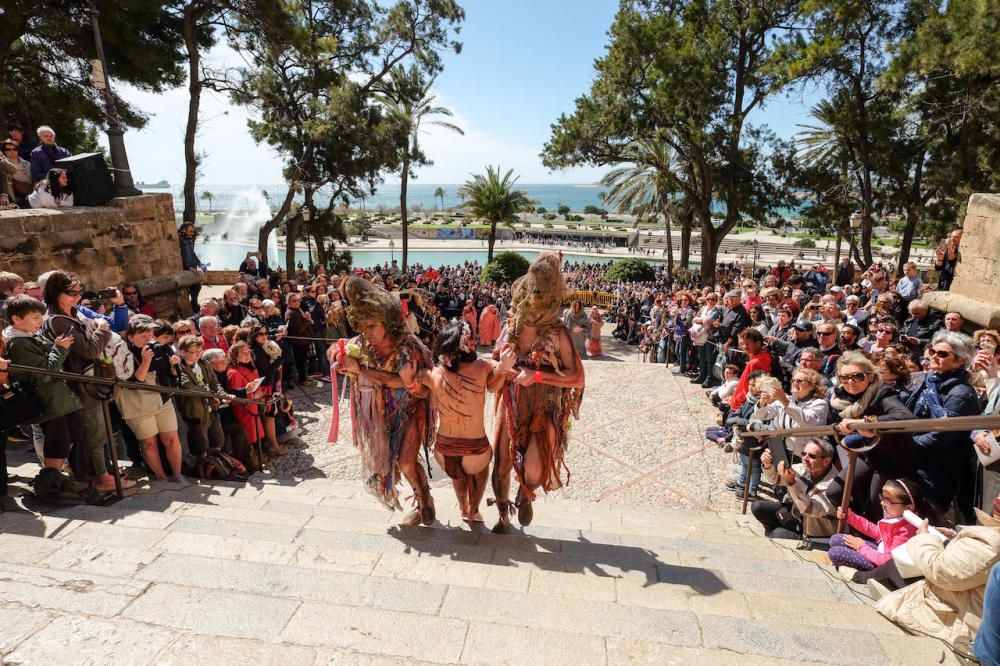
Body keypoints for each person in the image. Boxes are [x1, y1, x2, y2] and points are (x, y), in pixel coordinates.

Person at [488, 253, 585, 533]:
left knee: (533, 468)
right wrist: (501, 365)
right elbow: (494, 364)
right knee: (501, 460)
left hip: (545, 404)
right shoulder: (511, 328)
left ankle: (525, 491)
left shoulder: (558, 333)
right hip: (511, 400)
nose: (532, 309)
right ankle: (503, 513)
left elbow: (577, 376)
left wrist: (538, 375)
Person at [330, 277, 437, 526]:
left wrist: (361, 370)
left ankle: (425, 500)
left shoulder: (410, 347)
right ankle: (419, 503)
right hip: (377, 417)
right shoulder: (361, 345)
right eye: (363, 327)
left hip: (411, 409)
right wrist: (338, 355)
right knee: (382, 463)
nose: (368, 332)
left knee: (408, 462)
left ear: (386, 322)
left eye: (372, 325)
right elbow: (338, 351)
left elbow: (408, 385)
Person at [400, 320, 516, 522]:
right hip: (476, 451)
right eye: (472, 339)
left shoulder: (434, 374)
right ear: (466, 344)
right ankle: (473, 510)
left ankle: (463, 508)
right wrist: (505, 368)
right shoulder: (483, 367)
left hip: (444, 451)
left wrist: (408, 379)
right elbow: (495, 385)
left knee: (457, 476)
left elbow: (417, 389)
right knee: (481, 470)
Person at [875, 492, 1000, 653]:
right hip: (959, 599)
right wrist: (953, 540)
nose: (997, 497)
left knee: (894, 568)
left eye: (889, 500)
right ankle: (865, 576)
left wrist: (924, 538)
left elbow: (941, 572)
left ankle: (858, 576)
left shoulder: (993, 542)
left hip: (956, 617)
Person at [3, 295, 92, 498]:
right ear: (16, 319)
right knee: (57, 442)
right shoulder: (19, 343)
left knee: (70, 436)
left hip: (59, 399)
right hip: (48, 401)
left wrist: (58, 348)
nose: (40, 322)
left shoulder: (30, 336)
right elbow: (45, 372)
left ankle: (57, 479)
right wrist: (60, 349)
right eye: (35, 317)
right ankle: (49, 485)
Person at [43, 271, 122, 493]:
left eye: (79, 292)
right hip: (80, 385)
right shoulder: (57, 320)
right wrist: (102, 330)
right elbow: (89, 350)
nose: (77, 297)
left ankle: (103, 472)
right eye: (71, 293)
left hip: (92, 382)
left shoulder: (74, 313)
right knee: (94, 432)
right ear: (55, 292)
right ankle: (101, 478)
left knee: (100, 430)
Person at [908, 331, 981, 521]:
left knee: (929, 519)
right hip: (919, 460)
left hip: (939, 467)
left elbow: (941, 434)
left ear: (961, 361)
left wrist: (907, 445)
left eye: (942, 354)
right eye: (933, 351)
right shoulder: (929, 381)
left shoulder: (961, 393)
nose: (933, 356)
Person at [116, 318, 186, 483]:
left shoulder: (162, 349)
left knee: (172, 439)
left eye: (150, 334)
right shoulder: (125, 354)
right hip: (138, 404)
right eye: (142, 335)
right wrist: (146, 360)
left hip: (162, 400)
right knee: (149, 443)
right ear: (131, 337)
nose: (148, 338)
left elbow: (172, 379)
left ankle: (178, 475)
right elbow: (134, 382)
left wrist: (174, 367)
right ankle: (161, 477)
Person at [831, 479, 922, 581]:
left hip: (884, 568)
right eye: (882, 497)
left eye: (889, 500)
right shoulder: (898, 515)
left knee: (835, 553)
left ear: (908, 508)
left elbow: (889, 562)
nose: (882, 503)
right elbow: (877, 532)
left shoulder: (906, 530)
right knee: (836, 539)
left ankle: (867, 575)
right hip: (880, 554)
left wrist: (861, 547)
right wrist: (850, 517)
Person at [752, 438, 839, 543]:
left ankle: (786, 536)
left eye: (812, 456)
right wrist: (768, 465)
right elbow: (777, 479)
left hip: (814, 529)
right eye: (803, 454)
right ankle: (775, 533)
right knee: (757, 507)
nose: (805, 459)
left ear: (826, 461)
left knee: (777, 533)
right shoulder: (801, 468)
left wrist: (792, 483)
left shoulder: (835, 485)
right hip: (795, 514)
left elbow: (811, 510)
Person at [176, 335, 232, 460]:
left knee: (218, 440)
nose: (197, 355)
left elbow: (214, 383)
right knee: (201, 446)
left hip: (212, 409)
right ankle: (203, 469)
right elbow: (188, 387)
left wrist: (222, 394)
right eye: (193, 352)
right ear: (183, 352)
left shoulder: (204, 363)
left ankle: (215, 467)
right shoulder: (179, 367)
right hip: (196, 413)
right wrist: (212, 393)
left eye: (199, 351)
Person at [178, 223, 203, 312]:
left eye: (193, 231)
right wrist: (189, 268)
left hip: (192, 268)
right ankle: (192, 305)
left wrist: (200, 264)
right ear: (184, 230)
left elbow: (192, 254)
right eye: (190, 231)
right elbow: (183, 255)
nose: (192, 233)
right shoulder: (180, 240)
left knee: (196, 287)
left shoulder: (189, 240)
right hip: (187, 270)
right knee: (191, 288)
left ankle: (193, 304)